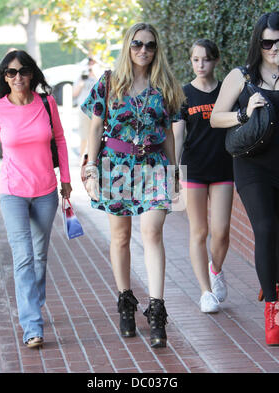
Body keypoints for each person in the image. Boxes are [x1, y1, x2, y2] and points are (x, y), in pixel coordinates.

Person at [81, 23, 184, 348]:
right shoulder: (109, 82)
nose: (143, 50)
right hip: (117, 166)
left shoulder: (164, 85)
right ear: (128, 46)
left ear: (157, 49)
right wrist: (91, 168)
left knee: (152, 232)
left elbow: (168, 132)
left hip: (154, 165)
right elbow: (96, 127)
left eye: (150, 45)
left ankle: (156, 310)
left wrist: (174, 170)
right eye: (137, 44)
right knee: (121, 236)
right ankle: (126, 302)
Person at [0, 50, 72, 348]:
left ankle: (34, 301)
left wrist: (67, 181)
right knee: (23, 257)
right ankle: (32, 325)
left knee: (39, 256)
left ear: (32, 73)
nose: (17, 77)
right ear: (4, 77)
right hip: (12, 193)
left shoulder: (46, 103)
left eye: (22, 71)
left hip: (46, 190)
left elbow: (59, 139)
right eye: (10, 72)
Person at [210, 12, 279, 346]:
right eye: (267, 43)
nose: (274, 49)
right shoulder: (241, 77)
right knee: (266, 228)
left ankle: (271, 275)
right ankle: (273, 307)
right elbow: (215, 119)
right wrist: (244, 112)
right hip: (252, 166)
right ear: (258, 42)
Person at [173, 39, 233, 313]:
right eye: (195, 59)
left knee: (220, 232)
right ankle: (205, 292)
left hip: (223, 168)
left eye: (206, 59)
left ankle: (216, 269)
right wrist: (174, 170)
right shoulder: (183, 94)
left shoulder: (227, 93)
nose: (200, 65)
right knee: (199, 231)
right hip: (194, 170)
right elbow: (177, 135)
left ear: (216, 61)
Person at [73, 58, 98, 159]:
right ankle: (81, 157)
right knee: (84, 135)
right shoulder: (81, 76)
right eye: (89, 64)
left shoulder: (100, 76)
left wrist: (95, 73)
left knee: (96, 135)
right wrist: (82, 82)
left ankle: (93, 157)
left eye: (93, 64)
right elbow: (74, 93)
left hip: (97, 111)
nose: (90, 66)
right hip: (84, 110)